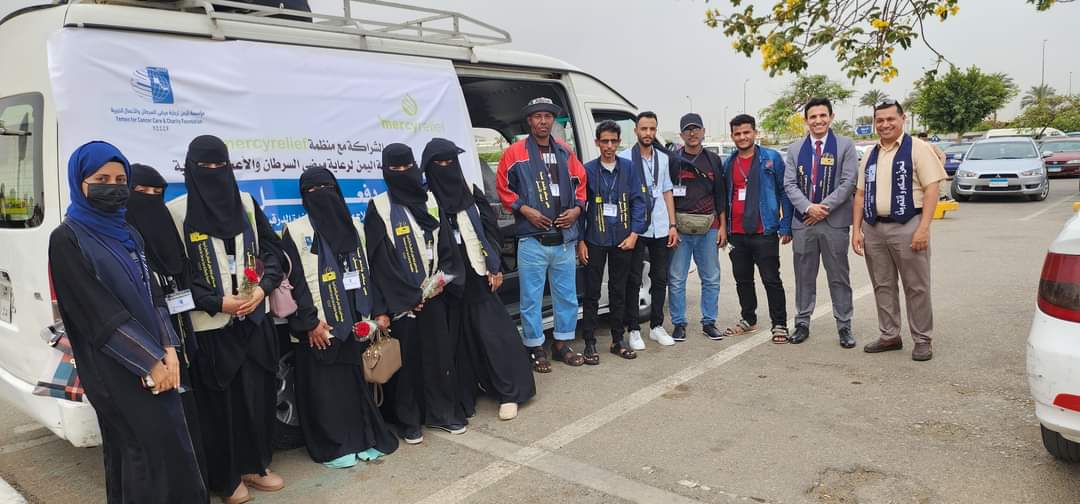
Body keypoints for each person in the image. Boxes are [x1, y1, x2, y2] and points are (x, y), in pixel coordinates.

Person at [48, 141, 207, 504]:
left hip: (157, 361)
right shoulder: (68, 239)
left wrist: (169, 349)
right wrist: (149, 361)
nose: (113, 187)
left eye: (121, 180)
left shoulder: (128, 233)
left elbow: (154, 297)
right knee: (142, 455)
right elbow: (97, 312)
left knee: (171, 450)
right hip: (115, 368)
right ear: (79, 182)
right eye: (101, 179)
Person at [167, 135, 285, 504]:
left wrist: (263, 289)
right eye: (206, 167)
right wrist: (218, 302)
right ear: (191, 170)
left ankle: (256, 465)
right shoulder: (177, 213)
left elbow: (273, 251)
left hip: (254, 322)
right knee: (221, 408)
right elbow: (176, 275)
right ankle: (227, 477)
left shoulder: (246, 203)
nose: (215, 173)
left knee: (257, 397)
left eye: (221, 165)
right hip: (213, 328)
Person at [279, 167, 399, 468]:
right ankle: (336, 446)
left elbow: (370, 272)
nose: (320, 195)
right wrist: (309, 323)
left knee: (355, 385)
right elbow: (294, 282)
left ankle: (364, 438)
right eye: (312, 191)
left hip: (355, 321)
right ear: (304, 197)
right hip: (320, 326)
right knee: (326, 390)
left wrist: (378, 311)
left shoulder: (354, 226)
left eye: (326, 188)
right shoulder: (295, 231)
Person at [421, 138, 536, 421]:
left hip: (477, 274)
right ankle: (467, 393)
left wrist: (494, 267)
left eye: (450, 162)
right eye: (439, 163)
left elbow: (490, 231)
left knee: (494, 335)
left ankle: (510, 393)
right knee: (457, 340)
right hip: (446, 282)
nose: (446, 168)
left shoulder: (471, 191)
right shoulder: (425, 199)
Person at [365, 143, 466, 444]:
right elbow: (380, 262)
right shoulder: (379, 208)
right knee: (406, 363)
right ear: (385, 172)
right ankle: (409, 421)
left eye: (406, 168)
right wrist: (409, 297)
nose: (401, 173)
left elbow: (446, 247)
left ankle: (442, 413)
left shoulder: (431, 200)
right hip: (403, 304)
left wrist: (439, 283)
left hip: (433, 296)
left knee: (439, 357)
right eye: (394, 169)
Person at [125, 163, 209, 490]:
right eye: (141, 192)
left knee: (189, 418)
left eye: (157, 193)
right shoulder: (126, 245)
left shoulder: (170, 238)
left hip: (182, 346)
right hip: (150, 353)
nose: (150, 199)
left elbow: (186, 277)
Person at [496, 97, 587, 372]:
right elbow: (503, 188)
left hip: (563, 240)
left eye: (548, 116)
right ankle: (535, 347)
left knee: (567, 297)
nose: (543, 121)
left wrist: (577, 210)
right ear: (529, 121)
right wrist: (525, 210)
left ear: (553, 120)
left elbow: (581, 183)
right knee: (531, 299)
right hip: (532, 240)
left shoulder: (565, 152)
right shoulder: (514, 153)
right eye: (537, 116)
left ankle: (562, 344)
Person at [853, 100, 947, 362]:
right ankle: (889, 335)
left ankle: (922, 339)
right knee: (882, 284)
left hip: (908, 225)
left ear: (902, 119)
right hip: (874, 227)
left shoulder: (918, 148)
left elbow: (932, 189)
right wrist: (856, 230)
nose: (885, 124)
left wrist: (924, 228)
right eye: (879, 120)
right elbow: (860, 194)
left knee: (916, 286)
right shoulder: (870, 154)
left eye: (890, 119)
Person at [782, 98, 859, 348]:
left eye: (823, 115)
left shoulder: (845, 145)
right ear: (806, 120)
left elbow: (848, 182)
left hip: (834, 222)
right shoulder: (795, 149)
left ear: (831, 117)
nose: (818, 121)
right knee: (804, 276)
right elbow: (789, 184)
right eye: (813, 117)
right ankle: (802, 322)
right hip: (803, 221)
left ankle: (844, 325)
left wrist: (822, 209)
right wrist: (808, 208)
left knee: (838, 276)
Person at [578, 121, 648, 363]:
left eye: (613, 141)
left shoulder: (629, 168)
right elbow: (579, 207)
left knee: (620, 290)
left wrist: (634, 234)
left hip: (623, 238)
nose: (609, 146)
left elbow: (639, 202)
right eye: (604, 141)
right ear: (597, 142)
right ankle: (589, 342)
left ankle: (618, 340)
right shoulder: (587, 170)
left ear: (619, 142)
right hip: (595, 238)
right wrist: (581, 241)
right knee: (592, 292)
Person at [721, 114, 794, 344]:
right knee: (742, 280)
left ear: (755, 133)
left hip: (765, 231)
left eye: (746, 132)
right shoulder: (729, 163)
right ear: (732, 136)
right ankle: (748, 318)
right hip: (736, 233)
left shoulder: (771, 158)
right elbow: (724, 197)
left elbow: (784, 191)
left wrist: (786, 224)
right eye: (737, 133)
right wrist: (723, 229)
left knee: (771, 279)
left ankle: (779, 324)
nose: (742, 137)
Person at [618, 111, 678, 349]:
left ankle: (656, 326)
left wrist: (672, 225)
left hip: (660, 227)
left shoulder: (662, 158)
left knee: (660, 278)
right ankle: (633, 329)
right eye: (644, 129)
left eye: (652, 129)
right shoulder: (625, 158)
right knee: (634, 280)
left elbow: (667, 191)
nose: (648, 133)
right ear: (636, 131)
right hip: (637, 228)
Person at [667, 113, 727, 342]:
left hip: (709, 226)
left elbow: (721, 195)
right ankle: (679, 323)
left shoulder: (713, 160)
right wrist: (672, 226)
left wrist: (722, 227)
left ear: (703, 132)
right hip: (680, 228)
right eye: (687, 130)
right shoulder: (673, 160)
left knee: (711, 277)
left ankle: (709, 321)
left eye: (696, 129)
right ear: (681, 134)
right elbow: (667, 194)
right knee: (676, 278)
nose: (692, 133)